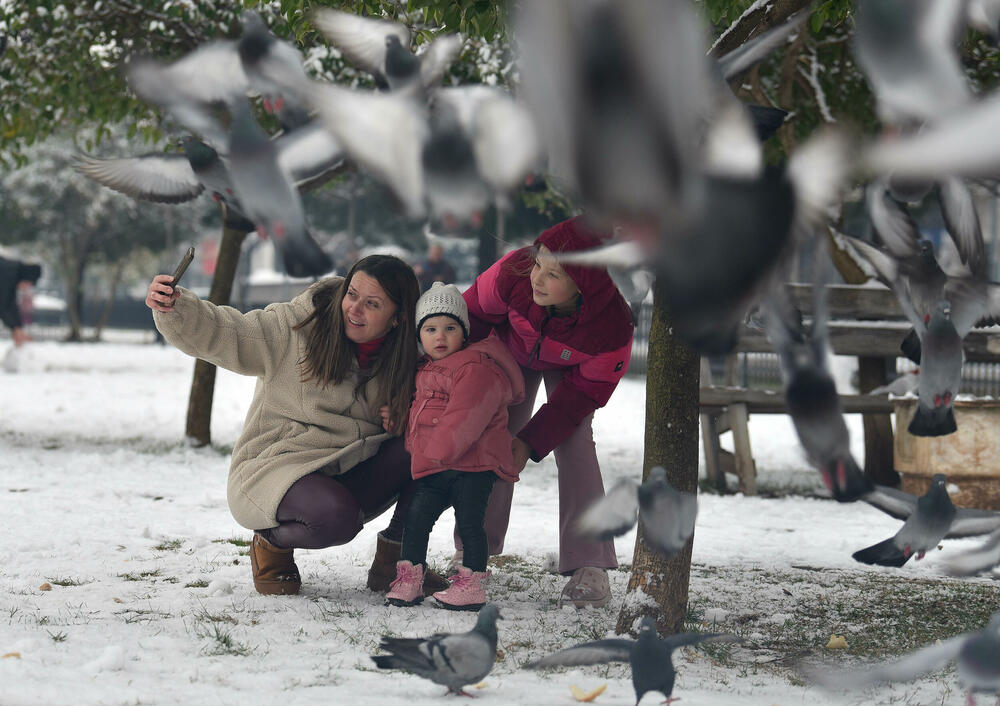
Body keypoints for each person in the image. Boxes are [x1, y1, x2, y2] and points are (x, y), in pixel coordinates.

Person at [144, 254, 449, 597]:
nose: (354, 309)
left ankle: (396, 562)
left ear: (398, 318)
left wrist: (405, 418)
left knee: (432, 442)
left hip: (348, 467)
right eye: (352, 295)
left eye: (372, 304)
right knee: (336, 519)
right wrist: (177, 308)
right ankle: (270, 545)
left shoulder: (407, 359)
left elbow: (442, 405)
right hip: (280, 465)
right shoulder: (299, 327)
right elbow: (231, 333)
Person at [458, 216, 634, 608]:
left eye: (553, 274)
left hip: (573, 371)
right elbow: (469, 317)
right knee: (495, 432)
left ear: (583, 283)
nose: (537, 277)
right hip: (514, 349)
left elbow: (581, 398)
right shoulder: (514, 273)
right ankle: (473, 549)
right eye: (539, 263)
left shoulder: (611, 329)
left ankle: (590, 564)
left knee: (575, 442)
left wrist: (531, 442)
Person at [384, 282, 525, 611]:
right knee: (416, 518)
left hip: (472, 466)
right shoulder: (426, 369)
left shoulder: (475, 367)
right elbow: (422, 414)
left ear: (464, 332)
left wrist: (433, 455)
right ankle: (409, 579)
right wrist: (397, 418)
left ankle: (471, 584)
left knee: (470, 523)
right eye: (431, 329)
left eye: (450, 328)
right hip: (439, 464)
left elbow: (465, 417)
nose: (440, 336)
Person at [0, 257, 42, 373]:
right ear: (26, 278)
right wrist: (16, 329)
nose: (27, 288)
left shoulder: (12, 272)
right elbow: (3, 304)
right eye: (29, 284)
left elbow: (10, 303)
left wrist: (18, 327)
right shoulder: (6, 273)